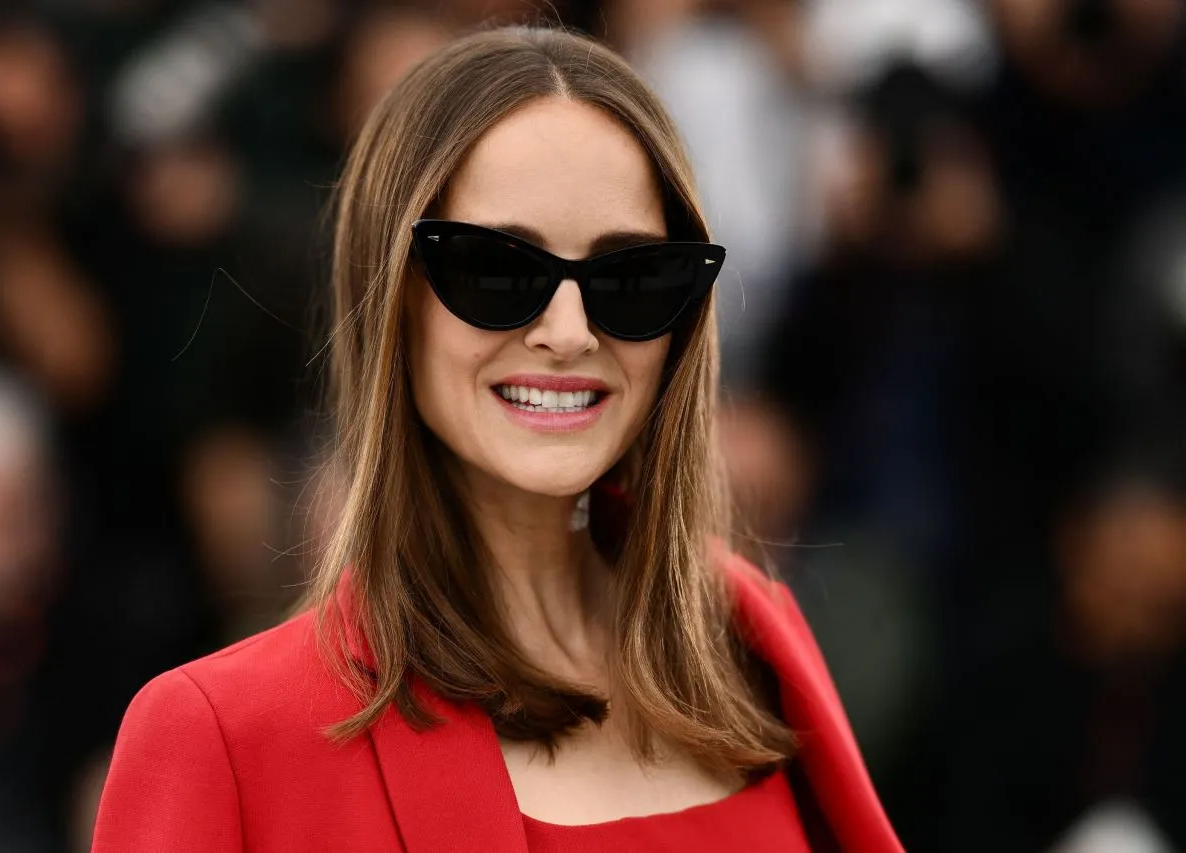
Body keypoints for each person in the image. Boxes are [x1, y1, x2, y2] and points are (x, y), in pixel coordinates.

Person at [91, 26, 901, 852]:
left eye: (630, 279)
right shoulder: (220, 738)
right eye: (499, 271)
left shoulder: (751, 639)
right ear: (390, 297)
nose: (568, 330)